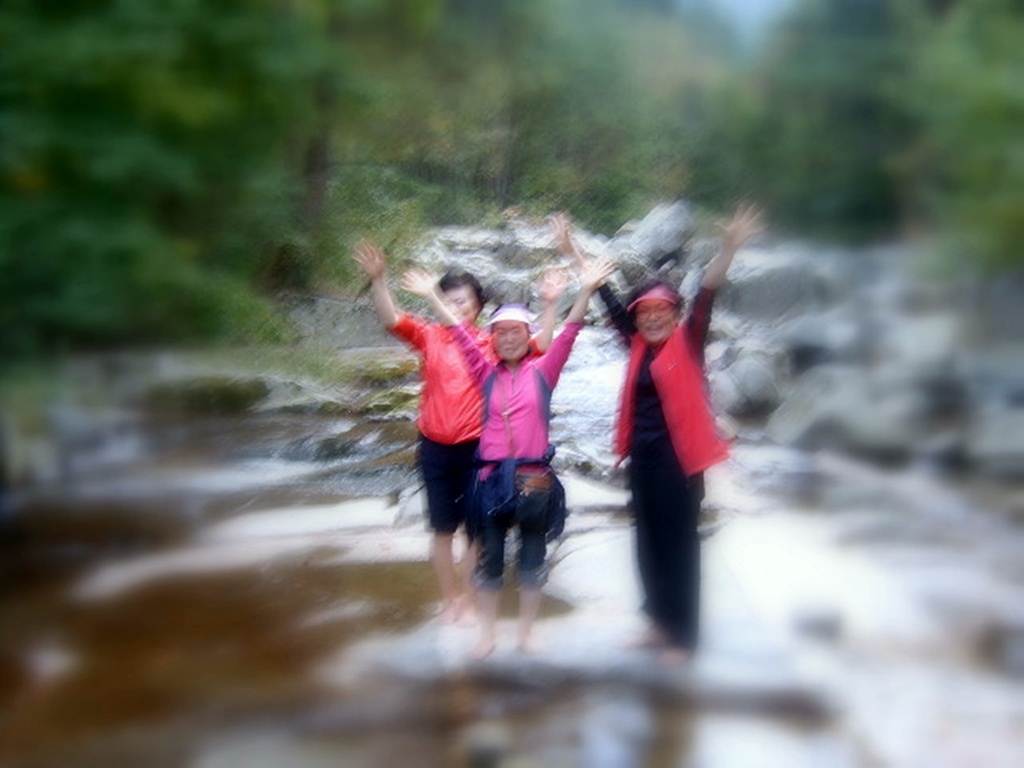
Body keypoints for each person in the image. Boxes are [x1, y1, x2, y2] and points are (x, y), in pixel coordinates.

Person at [554, 204, 763, 666]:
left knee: (680, 546)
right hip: (643, 460)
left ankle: (683, 636)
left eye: (660, 311)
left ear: (675, 314)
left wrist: (729, 247)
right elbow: (605, 294)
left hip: (681, 464)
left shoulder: (689, 342)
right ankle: (657, 621)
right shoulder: (634, 344)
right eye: (644, 312)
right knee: (647, 541)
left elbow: (707, 292)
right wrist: (571, 251)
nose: (651, 318)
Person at [403, 256, 616, 658]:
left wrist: (585, 291)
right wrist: (432, 296)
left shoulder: (544, 371)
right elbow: (458, 334)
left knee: (533, 560)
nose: (509, 339)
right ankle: (486, 635)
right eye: (500, 332)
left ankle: (526, 634)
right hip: (490, 480)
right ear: (493, 339)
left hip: (534, 480)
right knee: (491, 562)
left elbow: (569, 333)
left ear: (527, 335)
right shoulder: (485, 373)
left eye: (517, 331)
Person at [353, 242, 558, 625]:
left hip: (477, 450)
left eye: (462, 301)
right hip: (434, 447)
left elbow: (540, 345)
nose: (456, 307)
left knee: (476, 530)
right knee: (442, 529)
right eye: (449, 301)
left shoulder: (490, 343)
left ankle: (468, 596)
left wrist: (549, 304)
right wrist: (379, 279)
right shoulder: (429, 335)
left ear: (477, 306)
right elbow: (391, 319)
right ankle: (450, 600)